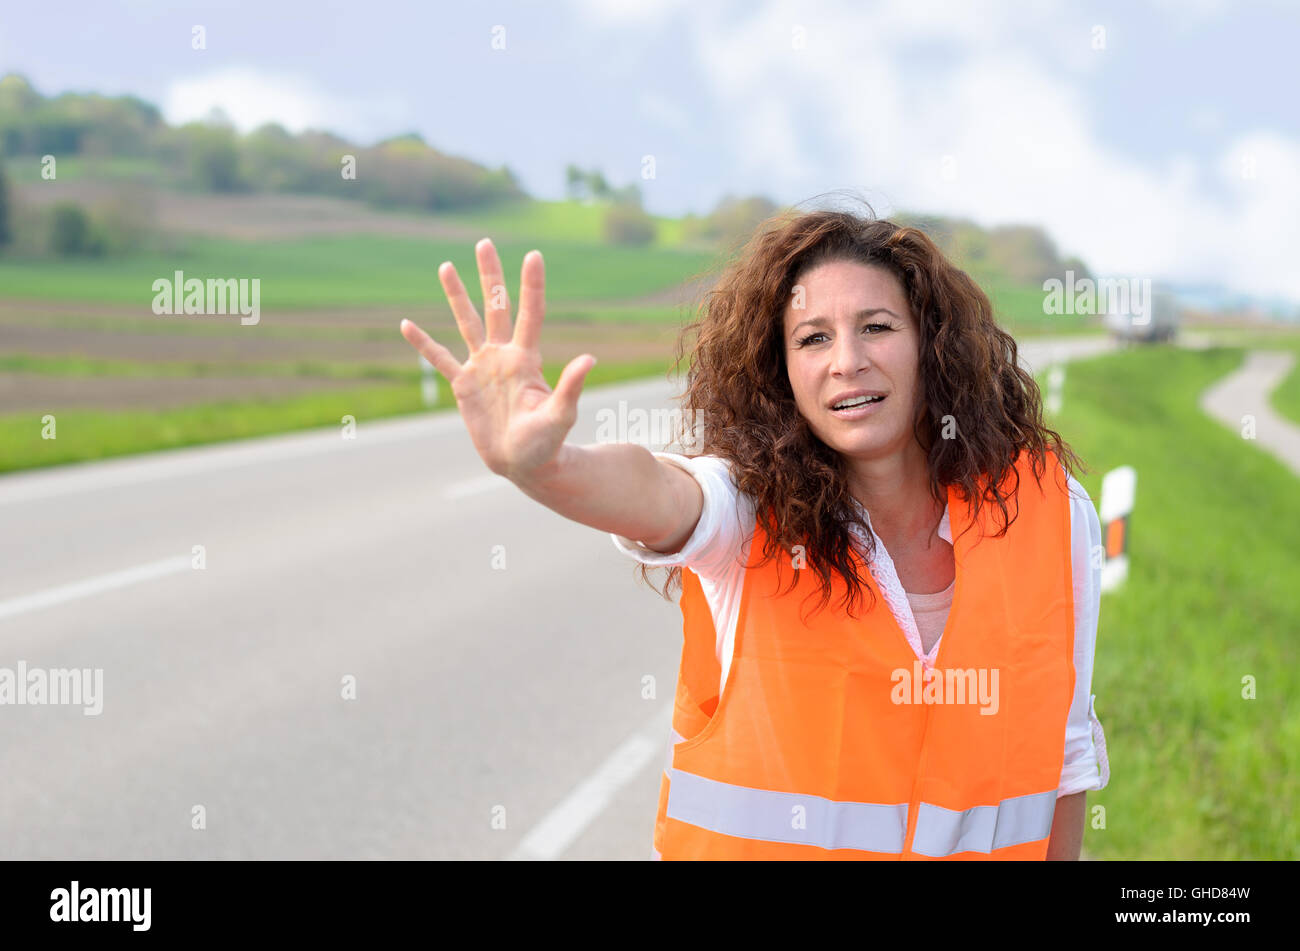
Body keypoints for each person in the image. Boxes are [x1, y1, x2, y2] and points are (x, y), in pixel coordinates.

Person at [399, 203, 1109, 861]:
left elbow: (1063, 758)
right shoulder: (747, 507)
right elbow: (658, 494)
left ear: (934, 345)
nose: (846, 361)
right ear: (782, 371)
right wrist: (548, 467)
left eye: (878, 327)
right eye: (813, 338)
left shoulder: (1050, 512)